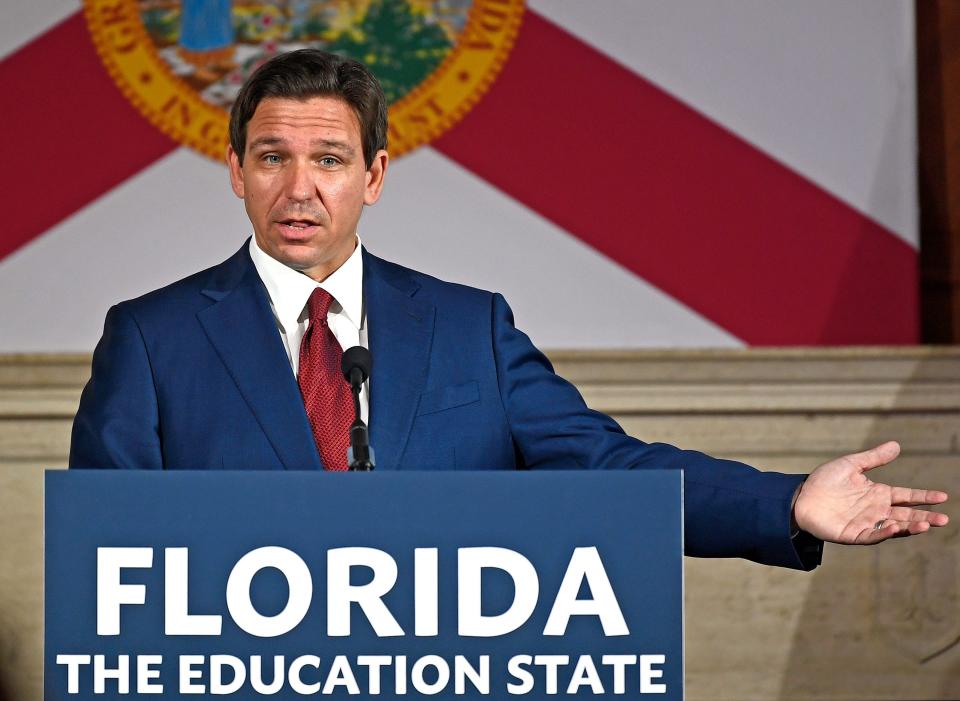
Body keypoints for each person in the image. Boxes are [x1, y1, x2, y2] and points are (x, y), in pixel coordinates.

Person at [69, 49, 948, 569]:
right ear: (235, 171)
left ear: (374, 177)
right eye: (271, 157)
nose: (299, 188)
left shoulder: (469, 329)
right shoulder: (151, 339)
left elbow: (607, 468)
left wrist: (787, 501)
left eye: (330, 160)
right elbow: (108, 559)